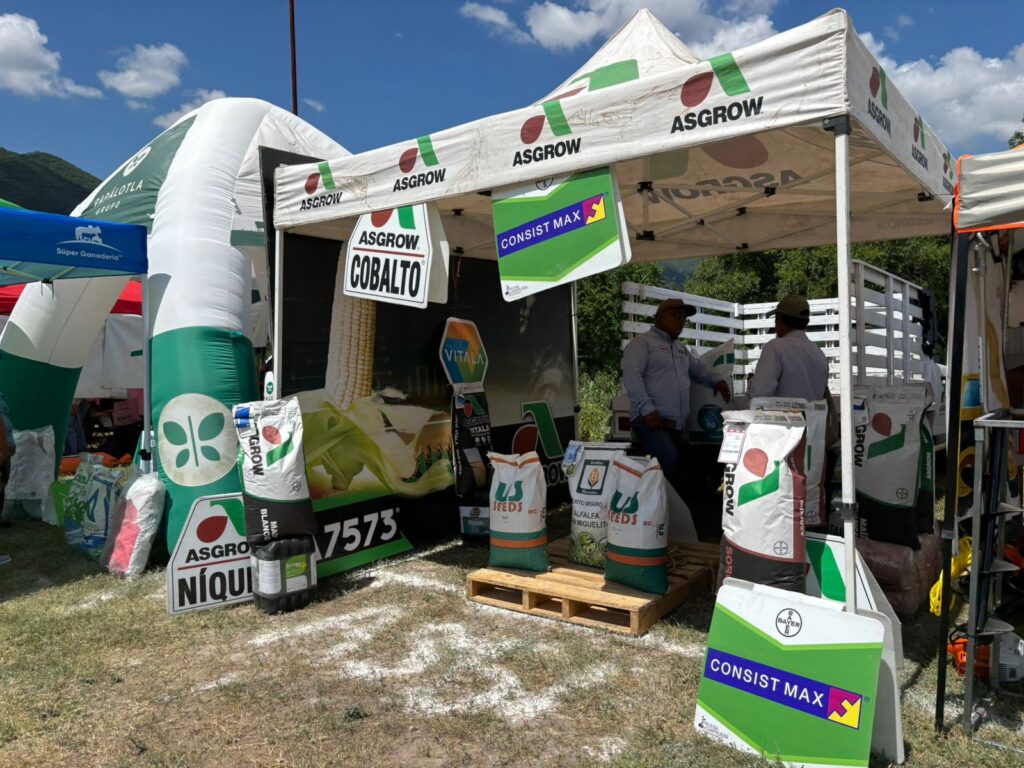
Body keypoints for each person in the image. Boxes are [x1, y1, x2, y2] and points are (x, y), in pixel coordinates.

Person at [621, 298, 731, 498]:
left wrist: (718, 381)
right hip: (649, 421)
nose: (681, 321)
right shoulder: (642, 343)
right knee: (670, 459)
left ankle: (678, 505)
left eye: (684, 318)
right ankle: (670, 507)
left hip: (675, 425)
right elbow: (631, 376)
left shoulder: (680, 349)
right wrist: (648, 410)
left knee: (684, 462)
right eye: (676, 315)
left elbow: (699, 369)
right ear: (658, 316)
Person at [747, 294, 828, 400]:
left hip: (781, 412)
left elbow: (759, 395)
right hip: (813, 412)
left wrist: (751, 382)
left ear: (779, 320)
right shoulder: (819, 354)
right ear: (806, 322)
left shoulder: (775, 348)